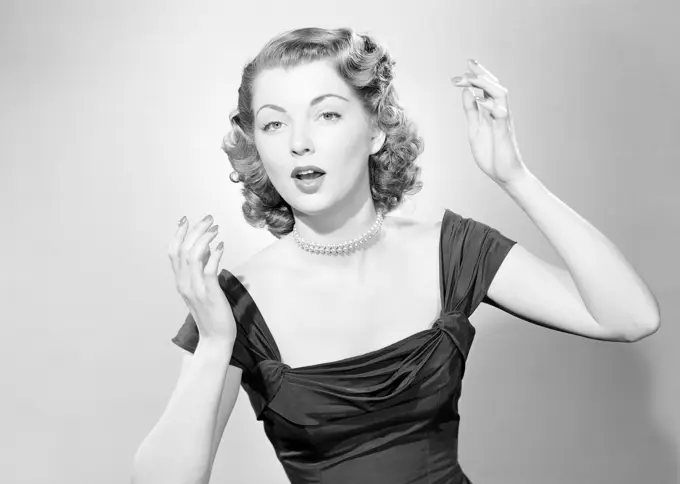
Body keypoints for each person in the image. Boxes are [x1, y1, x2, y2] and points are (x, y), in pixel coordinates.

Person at [131, 27, 661, 484]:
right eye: (273, 123)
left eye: (327, 115)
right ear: (256, 145)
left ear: (377, 130)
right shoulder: (233, 304)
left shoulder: (451, 250)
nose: (298, 143)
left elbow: (629, 318)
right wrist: (214, 344)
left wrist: (514, 177)